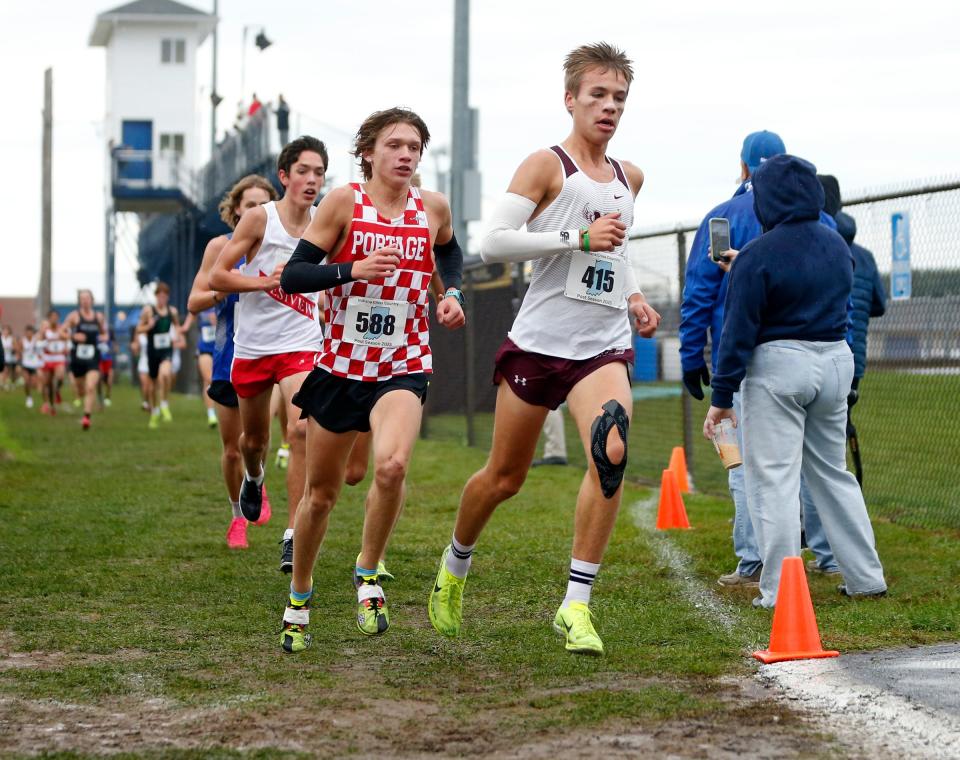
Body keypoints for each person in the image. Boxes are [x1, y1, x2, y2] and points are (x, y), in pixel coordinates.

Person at [428, 43, 661, 657]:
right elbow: (491, 242)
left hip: (601, 347)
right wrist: (573, 235)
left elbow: (618, 250)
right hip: (537, 346)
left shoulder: (629, 177)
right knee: (505, 478)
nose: (609, 108)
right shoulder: (547, 165)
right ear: (571, 100)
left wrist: (633, 297)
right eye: (598, 96)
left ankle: (576, 606)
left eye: (619, 99)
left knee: (610, 451)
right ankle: (453, 568)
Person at [277, 106, 465, 652]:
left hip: (404, 361)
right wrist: (349, 269)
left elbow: (449, 250)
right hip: (340, 366)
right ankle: (301, 593)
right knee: (322, 495)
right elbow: (294, 275)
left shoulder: (432, 208)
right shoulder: (342, 203)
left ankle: (367, 569)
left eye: (414, 147)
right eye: (395, 145)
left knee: (392, 466)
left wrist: (450, 293)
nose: (405, 155)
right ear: (369, 152)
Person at [704, 154, 887, 609]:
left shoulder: (759, 255)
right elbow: (805, 276)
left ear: (767, 198)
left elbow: (738, 334)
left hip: (779, 367)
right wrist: (746, 266)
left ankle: (780, 591)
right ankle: (866, 577)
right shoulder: (837, 245)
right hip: (834, 362)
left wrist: (721, 396)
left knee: (774, 480)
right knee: (832, 473)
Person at [679, 131, 838, 589]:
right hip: (819, 353)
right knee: (815, 462)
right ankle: (825, 555)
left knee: (747, 461)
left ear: (744, 166)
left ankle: (754, 560)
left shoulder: (723, 216)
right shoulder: (819, 219)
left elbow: (699, 294)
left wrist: (693, 356)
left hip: (746, 358)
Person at [209, 136, 328, 572]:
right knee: (253, 441)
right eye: (304, 171)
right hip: (253, 348)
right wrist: (265, 283)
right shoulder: (261, 220)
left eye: (319, 173)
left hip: (301, 344)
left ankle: (294, 534)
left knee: (299, 432)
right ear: (285, 176)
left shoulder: (326, 222)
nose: (312, 180)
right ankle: (255, 478)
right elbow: (219, 277)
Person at [188, 173, 278, 549]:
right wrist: (227, 287)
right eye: (249, 204)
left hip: (274, 350)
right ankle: (237, 515)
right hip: (229, 356)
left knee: (257, 437)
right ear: (236, 210)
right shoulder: (219, 248)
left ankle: (255, 478)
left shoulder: (283, 243)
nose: (256, 210)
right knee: (231, 447)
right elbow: (194, 301)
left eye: (263, 204)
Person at [802, 176, 887, 576]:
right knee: (832, 457)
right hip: (853, 363)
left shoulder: (812, 243)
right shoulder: (863, 255)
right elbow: (879, 307)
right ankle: (842, 552)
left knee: (814, 460)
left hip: (816, 352)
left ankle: (826, 546)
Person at [136, 282, 184, 429]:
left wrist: (178, 335)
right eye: (159, 296)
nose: (162, 299)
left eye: (164, 296)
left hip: (166, 350)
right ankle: (155, 411)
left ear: (167, 297)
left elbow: (177, 326)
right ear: (156, 296)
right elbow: (138, 329)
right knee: (151, 386)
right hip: (152, 351)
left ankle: (164, 403)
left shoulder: (172, 311)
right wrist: (148, 326)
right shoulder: (148, 311)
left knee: (165, 373)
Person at [63, 290, 108, 430]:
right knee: (80, 389)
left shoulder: (99, 317)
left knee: (90, 387)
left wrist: (104, 337)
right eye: (82, 299)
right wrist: (73, 337)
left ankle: (86, 417)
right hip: (77, 357)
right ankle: (83, 401)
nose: (85, 301)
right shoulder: (74, 316)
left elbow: (105, 333)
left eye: (87, 298)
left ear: (92, 300)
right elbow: (61, 331)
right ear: (79, 301)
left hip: (93, 356)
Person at [180, 307, 220, 427]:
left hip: (222, 348)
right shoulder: (203, 300)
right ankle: (211, 415)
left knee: (220, 381)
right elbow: (192, 311)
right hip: (205, 349)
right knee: (208, 380)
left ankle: (223, 410)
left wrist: (218, 319)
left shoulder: (224, 297)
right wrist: (184, 327)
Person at [40, 310, 68, 415]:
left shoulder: (62, 329)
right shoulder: (45, 330)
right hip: (48, 358)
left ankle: (57, 390)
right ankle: (51, 405)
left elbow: (66, 340)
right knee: (48, 384)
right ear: (49, 318)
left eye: (56, 316)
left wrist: (66, 347)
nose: (54, 318)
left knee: (60, 377)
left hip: (59, 357)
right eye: (52, 317)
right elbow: (38, 341)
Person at [19, 325, 45, 408]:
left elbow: (40, 343)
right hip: (25, 364)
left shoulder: (36, 340)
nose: (28, 334)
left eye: (30, 332)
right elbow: (19, 351)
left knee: (33, 383)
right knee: (26, 381)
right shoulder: (22, 341)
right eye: (27, 332)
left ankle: (31, 393)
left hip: (34, 364)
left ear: (32, 333)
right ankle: (28, 397)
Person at [97, 326, 115, 408]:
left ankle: (107, 396)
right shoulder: (95, 333)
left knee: (109, 380)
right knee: (99, 378)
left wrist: (112, 348)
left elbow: (115, 346)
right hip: (98, 360)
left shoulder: (110, 332)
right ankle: (100, 400)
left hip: (108, 360)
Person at [1, 326, 17, 390]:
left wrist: (11, 348)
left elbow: (15, 347)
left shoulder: (12, 339)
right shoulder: (1, 338)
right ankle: (4, 383)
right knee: (4, 370)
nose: (5, 332)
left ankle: (9, 383)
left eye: (7, 331)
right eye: (4, 330)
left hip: (10, 358)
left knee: (10, 372)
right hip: (2, 357)